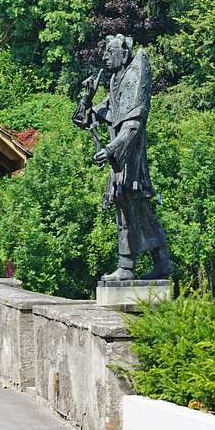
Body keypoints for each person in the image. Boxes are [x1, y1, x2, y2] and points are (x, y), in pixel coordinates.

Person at [73, 34, 173, 281]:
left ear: (124, 55)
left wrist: (110, 150)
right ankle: (159, 262)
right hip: (121, 164)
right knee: (136, 213)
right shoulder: (115, 85)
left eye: (110, 51)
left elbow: (133, 126)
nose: (105, 56)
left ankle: (128, 267)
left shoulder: (132, 83)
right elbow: (83, 120)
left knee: (132, 213)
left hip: (131, 163)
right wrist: (87, 96)